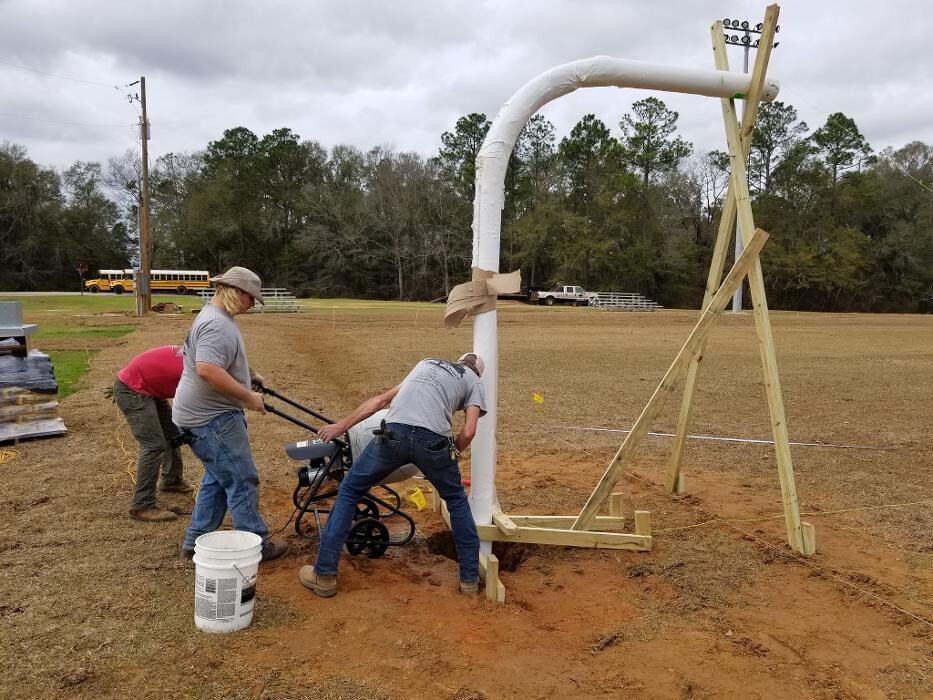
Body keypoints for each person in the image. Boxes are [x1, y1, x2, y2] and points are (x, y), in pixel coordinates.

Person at [299, 352, 487, 598]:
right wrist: (448, 457)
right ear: (478, 372)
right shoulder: (474, 382)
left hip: (393, 435)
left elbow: (379, 401)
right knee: (457, 502)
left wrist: (341, 426)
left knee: (350, 490)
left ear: (459, 360)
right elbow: (470, 431)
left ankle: (323, 575)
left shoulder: (426, 364)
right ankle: (469, 582)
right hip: (434, 442)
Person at [173, 266, 288, 562]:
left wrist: (250, 375)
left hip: (200, 415)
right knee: (242, 479)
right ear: (237, 292)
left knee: (219, 476)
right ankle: (257, 545)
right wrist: (248, 397)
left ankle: (194, 542)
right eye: (251, 299)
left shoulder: (215, 317)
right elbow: (208, 370)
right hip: (211, 419)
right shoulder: (216, 324)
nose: (252, 306)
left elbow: (218, 361)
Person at [114, 344, 192, 522]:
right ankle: (142, 505)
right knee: (154, 445)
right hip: (132, 390)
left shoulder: (199, 354)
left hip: (147, 388)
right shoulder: (200, 367)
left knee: (173, 435)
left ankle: (171, 480)